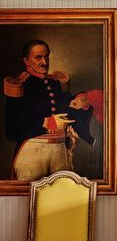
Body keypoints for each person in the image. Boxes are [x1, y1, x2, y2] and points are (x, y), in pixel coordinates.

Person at [3, 39, 95, 181]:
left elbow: (67, 112)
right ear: (26, 61)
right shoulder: (19, 85)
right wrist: (48, 123)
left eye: (46, 56)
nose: (44, 62)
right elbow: (12, 131)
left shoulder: (55, 83)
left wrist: (77, 103)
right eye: (38, 57)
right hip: (32, 152)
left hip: (59, 151)